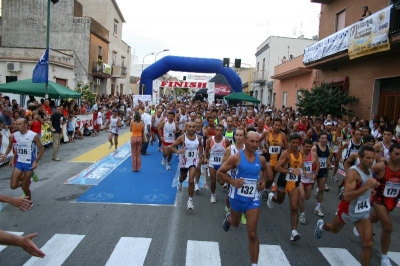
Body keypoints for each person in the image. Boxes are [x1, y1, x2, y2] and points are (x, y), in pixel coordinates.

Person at [314, 145, 379, 266]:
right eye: (368, 158)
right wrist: (367, 187)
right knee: (334, 229)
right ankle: (322, 226)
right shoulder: (353, 173)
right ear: (360, 157)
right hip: (347, 210)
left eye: (372, 158)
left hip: (363, 213)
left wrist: (370, 191)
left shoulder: (371, 169)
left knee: (368, 244)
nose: (371, 161)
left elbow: (366, 186)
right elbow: (347, 196)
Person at [217, 131, 268, 265]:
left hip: (253, 200)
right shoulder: (236, 158)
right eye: (252, 141)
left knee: (252, 234)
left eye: (257, 142)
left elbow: (264, 170)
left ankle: (254, 264)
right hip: (236, 198)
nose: (255, 144)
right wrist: (232, 182)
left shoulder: (260, 159)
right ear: (245, 141)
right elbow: (220, 172)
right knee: (235, 224)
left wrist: (262, 180)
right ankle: (229, 219)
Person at [267, 133, 305, 241]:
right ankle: (272, 197)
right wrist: (290, 170)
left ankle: (294, 231)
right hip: (283, 181)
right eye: (293, 142)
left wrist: (304, 172)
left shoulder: (300, 152)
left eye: (297, 143)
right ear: (289, 142)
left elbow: (301, 164)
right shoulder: (286, 154)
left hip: (294, 183)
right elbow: (278, 167)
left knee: (294, 207)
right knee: (279, 200)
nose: (295, 145)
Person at [368, 143, 400, 266]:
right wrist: (372, 183)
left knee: (375, 218)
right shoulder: (382, 166)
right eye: (396, 154)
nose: (399, 156)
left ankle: (365, 221)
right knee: (388, 226)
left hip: (392, 200)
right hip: (379, 199)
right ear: (390, 154)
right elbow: (370, 170)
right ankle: (384, 257)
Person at [1, 118, 44, 201]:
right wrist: (6, 155)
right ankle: (26, 182)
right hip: (19, 162)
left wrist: (36, 161)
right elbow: (13, 148)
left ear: (26, 125)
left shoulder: (33, 135)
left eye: (20, 124)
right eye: (16, 124)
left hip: (29, 163)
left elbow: (42, 149)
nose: (17, 126)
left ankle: (28, 200)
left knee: (24, 186)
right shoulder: (13, 135)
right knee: (13, 186)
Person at [169, 121, 203, 210]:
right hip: (184, 161)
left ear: (195, 128)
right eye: (190, 127)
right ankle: (180, 182)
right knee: (183, 177)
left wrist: (200, 154)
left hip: (194, 161)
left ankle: (190, 200)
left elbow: (200, 146)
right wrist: (177, 151)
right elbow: (171, 147)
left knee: (191, 180)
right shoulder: (182, 138)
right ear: (186, 128)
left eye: (193, 127)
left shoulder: (198, 138)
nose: (191, 128)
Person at [204, 124, 230, 203]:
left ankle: (225, 183)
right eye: (217, 130)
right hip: (212, 163)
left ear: (223, 132)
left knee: (221, 182)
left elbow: (230, 151)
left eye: (221, 130)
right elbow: (206, 150)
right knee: (213, 181)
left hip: (222, 164)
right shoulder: (210, 140)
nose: (219, 132)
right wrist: (205, 158)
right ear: (215, 130)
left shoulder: (226, 141)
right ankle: (213, 195)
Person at [298, 139, 319, 225]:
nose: (308, 148)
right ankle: (302, 214)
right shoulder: (299, 154)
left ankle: (299, 201)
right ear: (303, 146)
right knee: (302, 196)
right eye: (306, 146)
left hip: (310, 180)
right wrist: (303, 171)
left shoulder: (314, 155)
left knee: (307, 197)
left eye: (310, 147)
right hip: (300, 179)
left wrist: (316, 173)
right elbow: (297, 164)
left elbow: (318, 164)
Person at [312, 132, 331, 217]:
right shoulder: (314, 148)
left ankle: (318, 208)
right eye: (322, 138)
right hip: (314, 170)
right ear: (319, 139)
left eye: (325, 138)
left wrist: (328, 165)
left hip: (323, 170)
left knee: (322, 189)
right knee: (309, 190)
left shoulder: (328, 147)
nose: (324, 140)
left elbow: (328, 159)